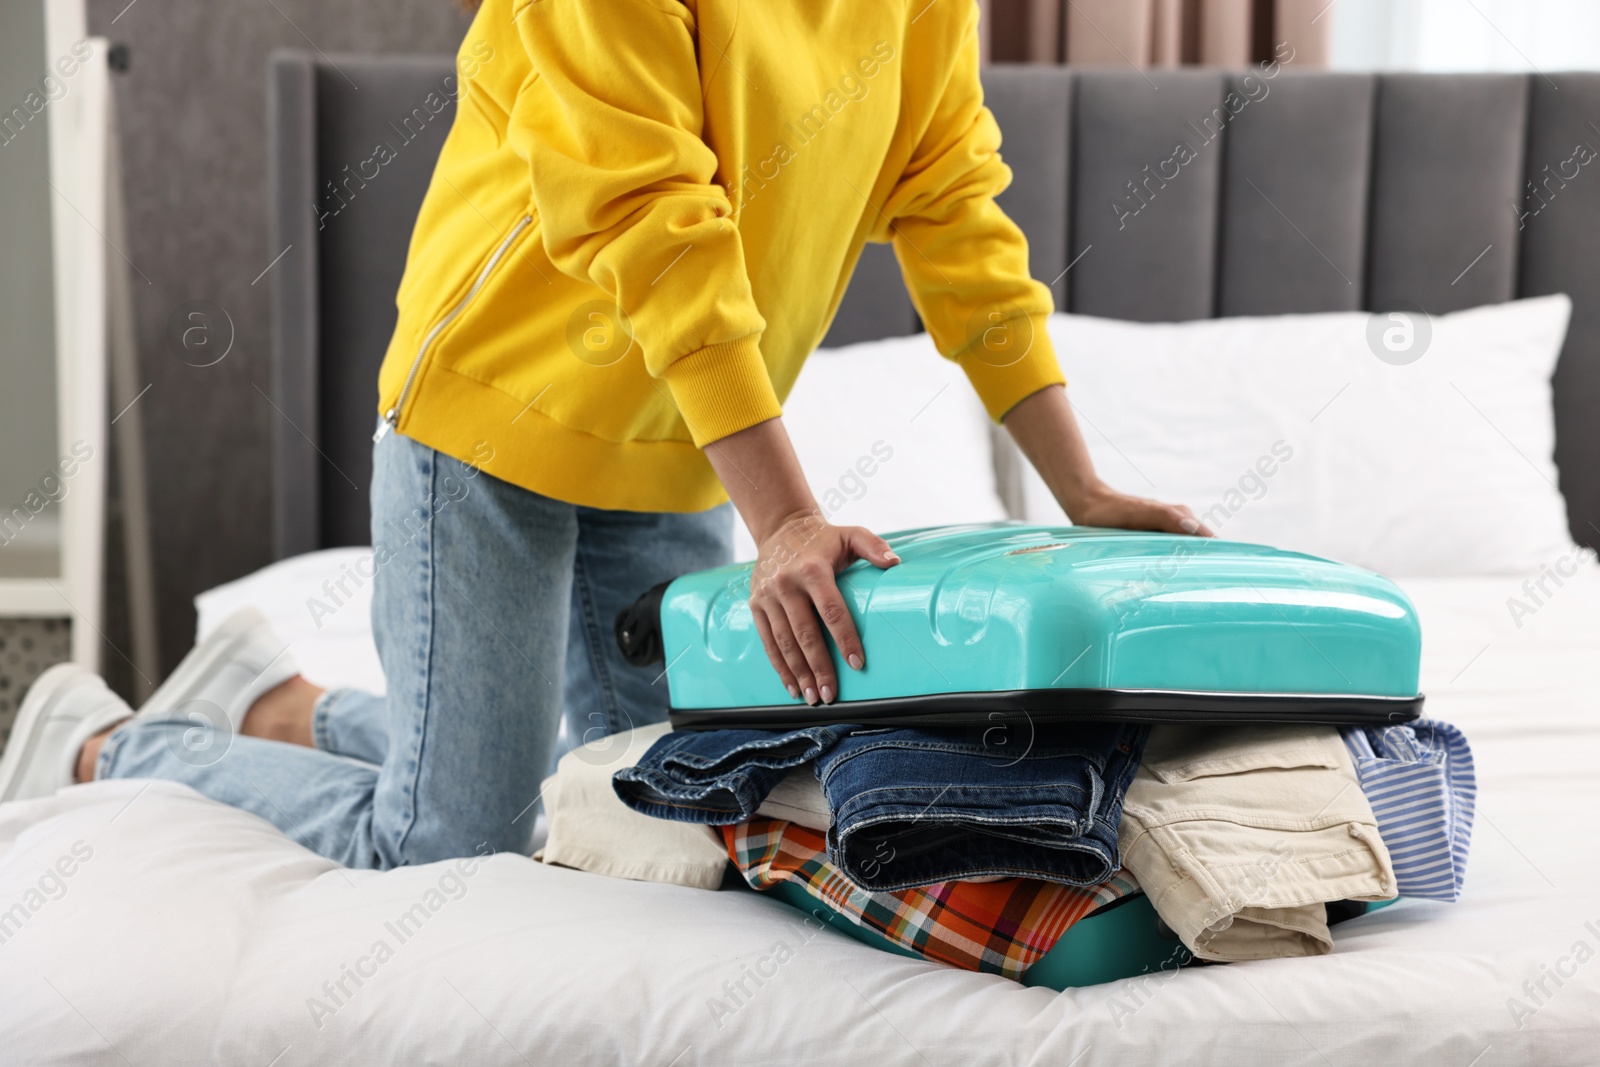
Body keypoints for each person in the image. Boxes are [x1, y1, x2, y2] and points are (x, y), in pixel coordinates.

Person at [0, 0, 1206, 868]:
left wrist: (1079, 488)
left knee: (650, 806)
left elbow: (956, 219)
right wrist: (783, 515)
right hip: (491, 432)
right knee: (452, 839)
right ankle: (107, 741)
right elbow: (654, 224)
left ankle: (274, 694)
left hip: (677, 445)